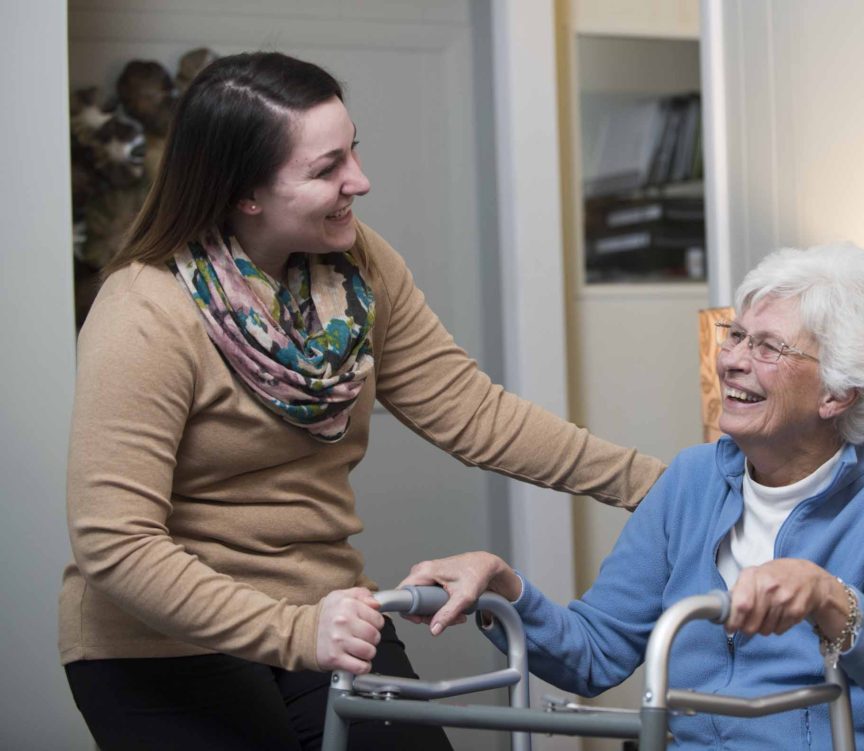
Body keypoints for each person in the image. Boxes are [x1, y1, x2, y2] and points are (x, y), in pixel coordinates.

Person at [59, 51, 666, 751]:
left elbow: (474, 414)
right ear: (245, 194)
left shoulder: (360, 269)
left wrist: (663, 487)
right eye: (326, 169)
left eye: (354, 151)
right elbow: (114, 539)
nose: (361, 181)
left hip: (324, 611)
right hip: (159, 638)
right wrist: (294, 631)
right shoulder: (146, 308)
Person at [405, 243, 864, 749]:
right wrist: (507, 591)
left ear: (836, 394)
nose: (729, 360)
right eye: (735, 336)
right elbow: (595, 652)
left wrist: (833, 601)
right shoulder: (690, 482)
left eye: (768, 348)